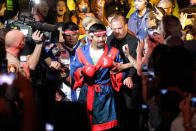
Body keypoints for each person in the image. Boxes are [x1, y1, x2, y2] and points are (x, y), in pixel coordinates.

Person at [71, 23, 124, 131]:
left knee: (104, 127)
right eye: (98, 36)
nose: (102, 39)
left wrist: (113, 67)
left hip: (104, 95)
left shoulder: (113, 52)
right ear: (91, 36)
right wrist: (82, 71)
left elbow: (121, 74)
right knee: (84, 125)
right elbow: (73, 70)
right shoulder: (81, 51)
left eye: (104, 36)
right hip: (86, 93)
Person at [107, 14, 142, 131]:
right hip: (114, 82)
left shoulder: (133, 41)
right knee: (117, 112)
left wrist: (130, 76)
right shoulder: (110, 39)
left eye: (119, 28)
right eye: (114, 28)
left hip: (130, 82)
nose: (116, 31)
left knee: (130, 112)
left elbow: (137, 62)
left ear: (126, 26)